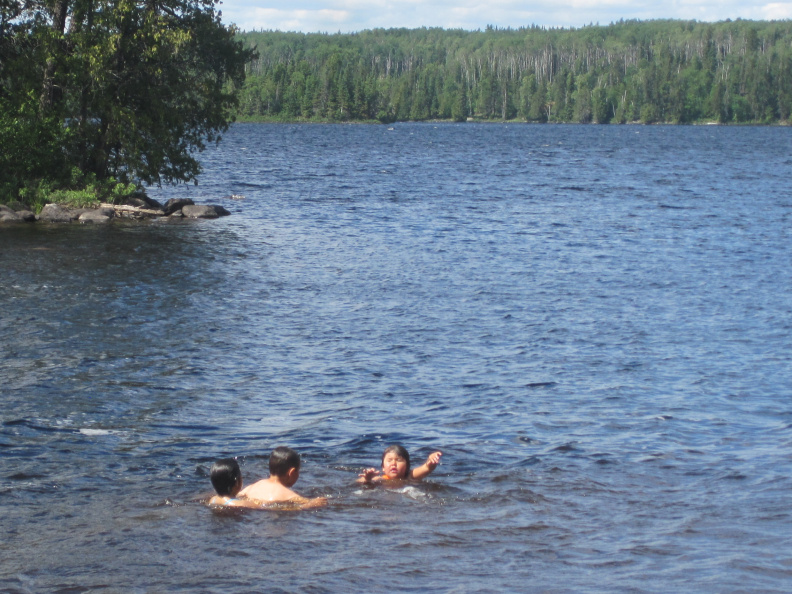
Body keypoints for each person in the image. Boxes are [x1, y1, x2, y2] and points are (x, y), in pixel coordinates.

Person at [239, 446, 327, 508]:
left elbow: (237, 495)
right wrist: (312, 503)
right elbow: (306, 503)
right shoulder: (289, 495)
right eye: (298, 471)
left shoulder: (253, 487)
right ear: (292, 472)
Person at [357, 444, 442, 484]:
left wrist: (431, 461)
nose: (393, 463)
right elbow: (358, 482)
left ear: (407, 466)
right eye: (389, 460)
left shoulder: (410, 476)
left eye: (399, 460)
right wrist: (367, 478)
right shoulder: (380, 479)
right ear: (383, 467)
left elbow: (426, 468)